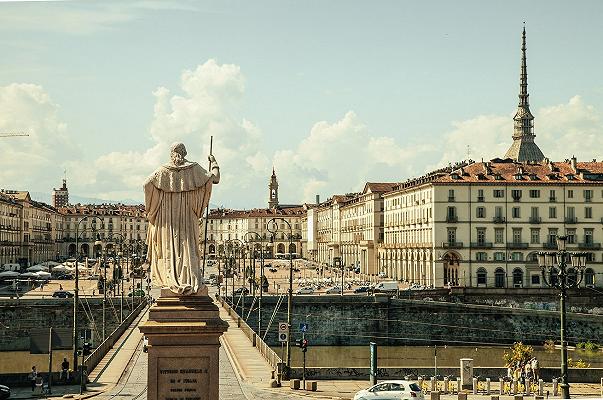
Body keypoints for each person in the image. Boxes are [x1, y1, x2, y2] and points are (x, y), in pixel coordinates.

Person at [144, 142, 219, 295]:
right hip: (188, 216)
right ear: (185, 152)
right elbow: (215, 178)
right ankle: (191, 279)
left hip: (167, 218)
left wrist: (152, 209)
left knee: (169, 249)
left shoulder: (163, 171)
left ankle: (172, 278)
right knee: (188, 246)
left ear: (172, 153)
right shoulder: (194, 168)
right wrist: (214, 162)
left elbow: (146, 185)